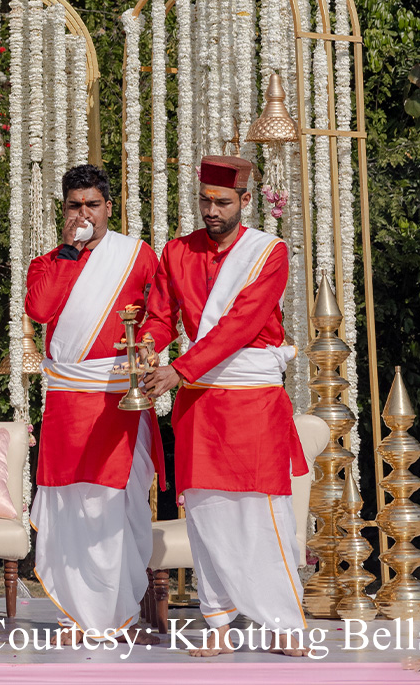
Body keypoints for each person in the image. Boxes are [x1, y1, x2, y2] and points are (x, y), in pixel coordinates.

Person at [140, 154, 308, 656]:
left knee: (264, 513)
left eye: (222, 202)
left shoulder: (268, 253)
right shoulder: (175, 251)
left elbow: (239, 324)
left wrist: (179, 370)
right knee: (207, 516)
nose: (211, 211)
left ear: (245, 201)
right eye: (204, 201)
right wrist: (147, 344)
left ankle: (284, 622)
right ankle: (218, 626)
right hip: (200, 402)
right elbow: (160, 316)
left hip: (251, 398)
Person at [24, 163, 163, 638]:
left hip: (117, 394)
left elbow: (160, 316)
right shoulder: (48, 261)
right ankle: (73, 613)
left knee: (111, 500)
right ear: (63, 211)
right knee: (67, 502)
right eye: (73, 206)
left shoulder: (137, 256)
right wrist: (69, 253)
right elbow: (40, 310)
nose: (83, 213)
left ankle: (115, 612)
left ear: (109, 208)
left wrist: (144, 349)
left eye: (91, 205)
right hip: (66, 399)